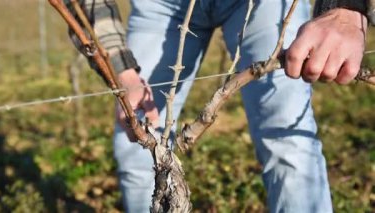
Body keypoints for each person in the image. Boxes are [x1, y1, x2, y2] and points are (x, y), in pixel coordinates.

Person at [66, 0, 369, 212]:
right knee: (137, 146)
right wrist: (122, 70)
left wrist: (345, 9)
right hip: (161, 5)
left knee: (289, 142)